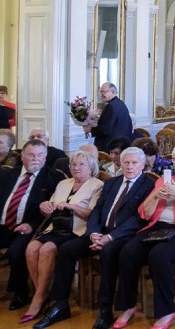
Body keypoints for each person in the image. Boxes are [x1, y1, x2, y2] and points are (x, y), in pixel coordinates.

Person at [34, 147, 155, 329]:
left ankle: (105, 309)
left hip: (124, 236)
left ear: (142, 164)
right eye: (126, 162)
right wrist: (93, 233)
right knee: (67, 249)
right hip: (98, 232)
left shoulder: (149, 185)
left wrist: (110, 237)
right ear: (120, 164)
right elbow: (97, 210)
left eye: (134, 163)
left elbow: (138, 219)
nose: (130, 167)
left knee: (108, 253)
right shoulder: (111, 183)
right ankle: (60, 305)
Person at [113, 142, 175, 329]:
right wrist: (156, 195)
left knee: (158, 254)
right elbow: (144, 213)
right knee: (128, 251)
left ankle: (167, 311)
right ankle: (128, 306)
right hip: (159, 227)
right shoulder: (162, 180)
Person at [19, 150, 103, 323]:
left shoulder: (97, 185)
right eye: (73, 164)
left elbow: (94, 214)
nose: (76, 168)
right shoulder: (63, 183)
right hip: (56, 228)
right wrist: (45, 206)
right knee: (31, 248)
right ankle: (42, 293)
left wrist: (72, 207)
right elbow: (51, 204)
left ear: (91, 167)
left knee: (47, 249)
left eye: (81, 164)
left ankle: (38, 299)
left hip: (78, 230)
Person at [0, 139, 64, 311]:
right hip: (3, 224)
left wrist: (31, 224)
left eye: (40, 155)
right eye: (31, 155)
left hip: (30, 227)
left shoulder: (54, 178)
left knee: (16, 252)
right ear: (22, 157)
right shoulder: (8, 175)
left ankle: (20, 292)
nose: (36, 159)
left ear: (45, 158)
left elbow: (52, 210)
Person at [84, 82, 133, 153]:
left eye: (103, 92)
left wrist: (90, 129)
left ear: (113, 92)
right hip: (121, 145)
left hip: (109, 147)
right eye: (100, 92)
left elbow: (104, 129)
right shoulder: (121, 104)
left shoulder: (110, 106)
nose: (101, 95)